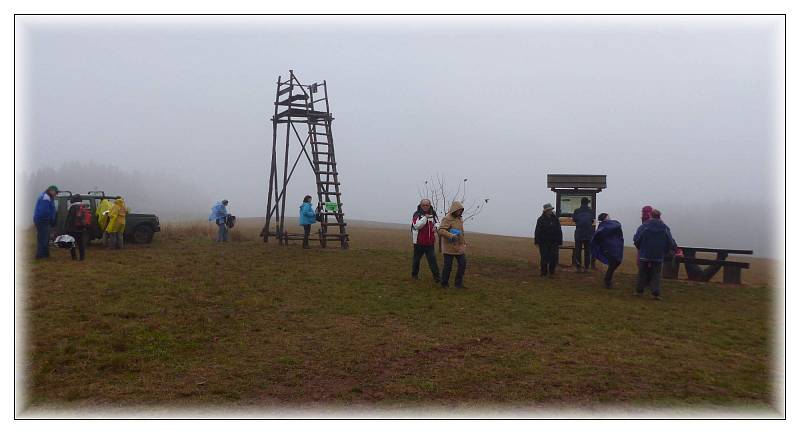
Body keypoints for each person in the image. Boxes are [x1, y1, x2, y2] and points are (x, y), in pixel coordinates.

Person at [633, 209, 677, 300]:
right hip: (658, 255)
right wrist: (667, 250)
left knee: (642, 273)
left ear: (650, 215)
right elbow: (670, 241)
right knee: (656, 274)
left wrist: (640, 248)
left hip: (644, 253)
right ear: (660, 216)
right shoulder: (664, 227)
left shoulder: (644, 226)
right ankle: (655, 293)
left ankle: (639, 291)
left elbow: (637, 238)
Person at [437, 201, 467, 289]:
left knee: (462, 264)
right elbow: (440, 230)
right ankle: (444, 283)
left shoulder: (460, 219)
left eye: (461, 210)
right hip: (449, 247)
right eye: (459, 210)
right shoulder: (447, 218)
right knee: (448, 266)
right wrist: (451, 236)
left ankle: (458, 284)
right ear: (454, 209)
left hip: (459, 246)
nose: (460, 212)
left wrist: (464, 242)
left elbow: (461, 232)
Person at [590, 213, 624, 288]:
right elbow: (617, 225)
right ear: (605, 218)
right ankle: (607, 281)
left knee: (614, 263)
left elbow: (597, 237)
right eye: (608, 216)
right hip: (611, 249)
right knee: (614, 264)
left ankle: (607, 280)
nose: (610, 217)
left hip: (610, 249)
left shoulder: (602, 227)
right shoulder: (606, 226)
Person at [411, 199, 441, 283]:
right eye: (423, 205)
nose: (425, 207)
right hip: (419, 242)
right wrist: (425, 218)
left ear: (430, 205)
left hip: (429, 242)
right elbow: (416, 226)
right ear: (420, 205)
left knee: (432, 260)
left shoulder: (433, 213)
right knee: (416, 260)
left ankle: (437, 277)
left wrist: (436, 227)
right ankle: (414, 275)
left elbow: (438, 222)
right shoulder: (417, 214)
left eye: (427, 205)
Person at [534, 203, 563, 277]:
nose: (550, 211)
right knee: (544, 257)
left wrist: (560, 240)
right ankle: (544, 272)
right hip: (543, 242)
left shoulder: (555, 219)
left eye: (551, 210)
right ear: (545, 211)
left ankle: (551, 272)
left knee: (553, 257)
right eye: (549, 210)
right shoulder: (540, 219)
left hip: (554, 242)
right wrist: (537, 241)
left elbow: (559, 230)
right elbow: (537, 231)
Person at [33, 185, 58, 259]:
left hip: (43, 220)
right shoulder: (45, 197)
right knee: (43, 238)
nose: (56, 194)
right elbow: (44, 211)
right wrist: (49, 219)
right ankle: (40, 255)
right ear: (51, 190)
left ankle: (45, 254)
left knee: (45, 238)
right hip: (43, 221)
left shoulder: (49, 197)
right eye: (55, 192)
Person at [571, 197, 594, 273]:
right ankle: (586, 268)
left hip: (579, 234)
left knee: (578, 251)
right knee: (587, 252)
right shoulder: (590, 211)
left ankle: (578, 267)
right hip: (588, 234)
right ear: (587, 203)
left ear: (581, 203)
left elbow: (574, 219)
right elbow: (591, 220)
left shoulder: (576, 211)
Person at [64, 196, 88, 261]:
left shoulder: (72, 207)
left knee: (72, 243)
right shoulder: (83, 206)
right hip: (81, 228)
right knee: (81, 244)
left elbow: (70, 219)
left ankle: (74, 257)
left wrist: (66, 228)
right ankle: (82, 258)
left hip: (72, 229)